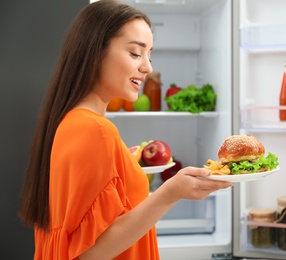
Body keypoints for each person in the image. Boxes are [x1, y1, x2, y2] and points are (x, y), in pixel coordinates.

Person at [18, 1, 233, 259]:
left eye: (149, 55)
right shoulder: (95, 130)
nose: (148, 67)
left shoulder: (70, 122)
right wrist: (170, 192)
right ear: (95, 51)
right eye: (135, 53)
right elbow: (88, 254)